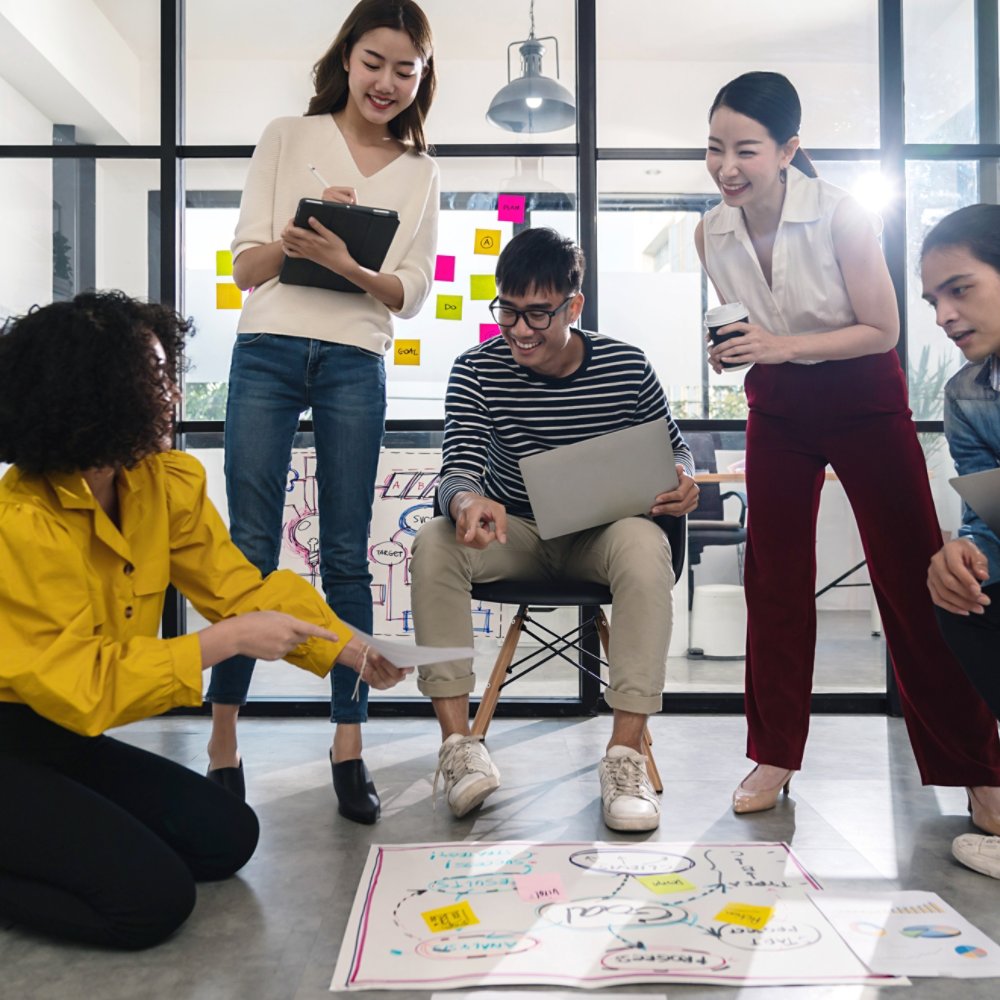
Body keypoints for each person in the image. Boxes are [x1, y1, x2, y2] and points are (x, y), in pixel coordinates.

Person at [0, 291, 410, 949]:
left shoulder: (163, 481)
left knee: (227, 836)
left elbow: (237, 589)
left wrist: (347, 646)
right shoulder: (21, 522)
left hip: (56, 731)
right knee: (151, 903)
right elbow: (85, 686)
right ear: (96, 395)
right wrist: (221, 644)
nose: (172, 394)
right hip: (22, 724)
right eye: (155, 378)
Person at [694, 71, 1000, 817]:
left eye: (747, 150)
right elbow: (749, 329)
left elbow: (885, 330)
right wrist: (736, 350)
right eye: (713, 149)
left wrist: (782, 343)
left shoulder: (840, 215)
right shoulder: (710, 230)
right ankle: (773, 757)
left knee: (913, 578)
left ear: (789, 150)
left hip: (863, 398)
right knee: (775, 583)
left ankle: (977, 766)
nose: (727, 167)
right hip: (777, 408)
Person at [206, 0, 439, 824]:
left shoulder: (418, 170)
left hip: (355, 358)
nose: (386, 82)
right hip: (268, 347)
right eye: (374, 62)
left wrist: (350, 262)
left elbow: (412, 292)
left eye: (404, 69)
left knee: (346, 552)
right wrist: (307, 235)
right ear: (347, 59)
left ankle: (349, 744)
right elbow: (245, 266)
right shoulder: (286, 136)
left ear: (420, 77)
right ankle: (223, 740)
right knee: (250, 547)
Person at [408, 227, 699, 833]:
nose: (518, 330)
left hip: (602, 538)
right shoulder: (476, 371)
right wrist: (464, 501)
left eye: (537, 313)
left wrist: (684, 481)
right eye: (507, 311)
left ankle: (624, 759)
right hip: (515, 535)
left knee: (646, 547)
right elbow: (457, 463)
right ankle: (459, 749)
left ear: (574, 305)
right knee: (435, 543)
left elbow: (675, 452)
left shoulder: (625, 364)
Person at [921, 204, 1000, 878]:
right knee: (961, 592)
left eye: (960, 289)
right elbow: (987, 514)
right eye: (933, 300)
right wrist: (962, 552)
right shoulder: (968, 394)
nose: (943, 315)